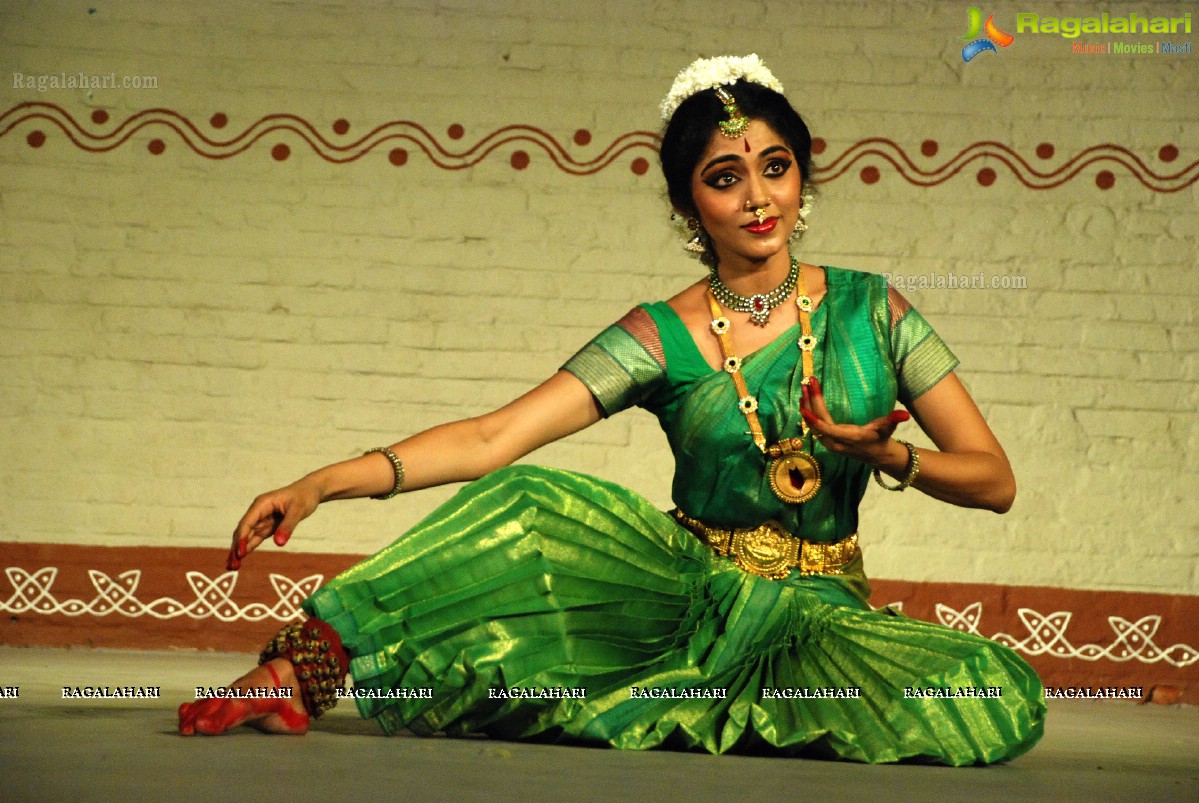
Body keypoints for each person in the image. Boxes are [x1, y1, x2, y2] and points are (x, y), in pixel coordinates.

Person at [178, 54, 1045, 765]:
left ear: (801, 175)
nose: (757, 198)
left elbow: (995, 481)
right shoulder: (659, 334)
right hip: (680, 595)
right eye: (725, 177)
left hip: (818, 614)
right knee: (526, 506)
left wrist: (886, 456)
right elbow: (490, 439)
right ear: (686, 202)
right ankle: (297, 674)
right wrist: (323, 483)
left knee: (991, 698)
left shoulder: (873, 310)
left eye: (775, 168)